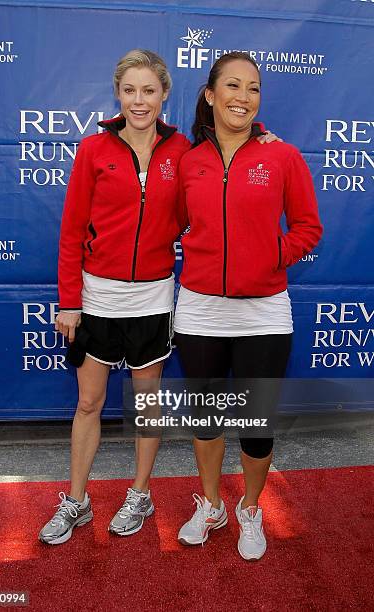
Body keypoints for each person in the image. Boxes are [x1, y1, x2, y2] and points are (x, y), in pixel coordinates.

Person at [38, 49, 279, 545]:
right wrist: (69, 300)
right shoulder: (93, 150)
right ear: (118, 94)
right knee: (89, 403)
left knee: (147, 405)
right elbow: (69, 233)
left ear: (165, 94)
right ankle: (77, 500)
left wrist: (260, 139)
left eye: (149, 90)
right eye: (130, 91)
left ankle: (140, 494)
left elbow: (225, 176)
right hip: (95, 298)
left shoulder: (184, 155)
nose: (139, 101)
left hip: (153, 299)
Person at [174, 51, 323, 559]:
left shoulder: (281, 156)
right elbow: (171, 225)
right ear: (210, 95)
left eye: (253, 88)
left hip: (263, 309)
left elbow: (308, 228)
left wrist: (268, 255)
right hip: (199, 309)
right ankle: (213, 503)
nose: (243, 97)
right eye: (233, 86)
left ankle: (251, 509)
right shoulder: (189, 161)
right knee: (206, 419)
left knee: (257, 423)